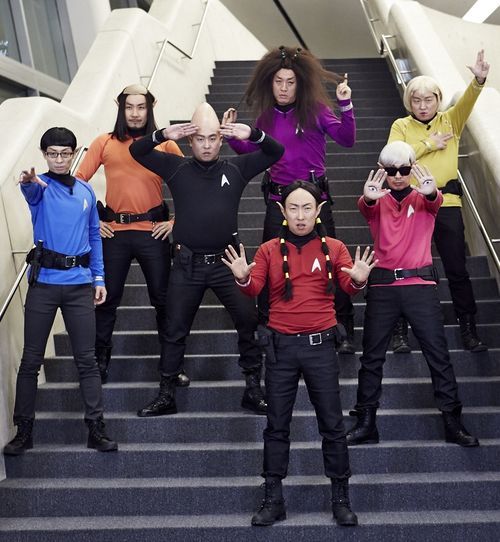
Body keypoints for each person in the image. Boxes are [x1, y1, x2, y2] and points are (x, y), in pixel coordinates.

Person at [223, 180, 376, 527]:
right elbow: (254, 288)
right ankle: (273, 500)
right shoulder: (268, 250)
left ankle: (341, 499)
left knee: (332, 426)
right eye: (293, 208)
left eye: (307, 208)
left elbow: (349, 286)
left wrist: (360, 279)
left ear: (318, 210)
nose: (301, 215)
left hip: (321, 348)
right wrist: (242, 278)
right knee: (276, 426)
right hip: (281, 349)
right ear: (282, 211)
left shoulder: (334, 247)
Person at [129, 102, 284, 417]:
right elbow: (138, 151)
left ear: (221, 139)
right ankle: (166, 393)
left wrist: (253, 134)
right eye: (200, 138)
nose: (207, 145)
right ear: (190, 140)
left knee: (249, 323)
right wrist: (162, 134)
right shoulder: (176, 167)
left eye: (213, 138)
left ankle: (253, 389)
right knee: (174, 328)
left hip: (228, 264)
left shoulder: (236, 169)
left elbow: (275, 152)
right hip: (187, 265)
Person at [223, 45, 358, 354]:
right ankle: (266, 326)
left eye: (290, 82)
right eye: (278, 82)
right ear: (270, 83)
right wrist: (232, 135)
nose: (283, 88)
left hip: (315, 201)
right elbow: (251, 151)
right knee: (269, 262)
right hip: (278, 201)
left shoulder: (317, 111)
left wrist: (345, 105)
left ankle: (344, 329)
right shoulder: (266, 118)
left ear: (300, 83)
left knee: (332, 262)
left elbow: (347, 139)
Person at [346, 141, 479, 448]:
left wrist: (431, 192)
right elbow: (366, 206)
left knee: (438, 355)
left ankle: (452, 420)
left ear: (412, 169)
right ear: (382, 171)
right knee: (371, 358)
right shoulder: (374, 200)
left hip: (420, 287)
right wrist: (368, 198)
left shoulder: (424, 198)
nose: (398, 176)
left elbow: (434, 200)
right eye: (391, 171)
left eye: (404, 169)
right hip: (383, 288)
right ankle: (366, 422)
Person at [3, 127, 117, 456]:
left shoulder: (85, 190)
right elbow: (30, 190)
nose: (58, 159)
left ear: (74, 153)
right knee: (30, 360)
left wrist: (99, 278)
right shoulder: (39, 187)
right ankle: (24, 431)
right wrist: (28, 182)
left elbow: (94, 236)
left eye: (64, 154)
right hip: (45, 286)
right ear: (44, 155)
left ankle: (95, 428)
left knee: (87, 361)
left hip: (80, 285)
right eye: (52, 154)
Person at [77, 84, 190, 387]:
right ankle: (99, 364)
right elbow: (76, 184)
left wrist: (176, 222)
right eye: (130, 107)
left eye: (141, 107)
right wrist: (92, 222)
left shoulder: (164, 145)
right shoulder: (104, 142)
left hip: (152, 233)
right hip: (114, 234)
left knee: (164, 302)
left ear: (150, 108)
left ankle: (172, 367)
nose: (136, 113)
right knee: (106, 301)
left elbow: (191, 183)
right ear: (121, 108)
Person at [387, 50, 490, 353]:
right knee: (403, 267)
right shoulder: (401, 126)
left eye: (428, 100)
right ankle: (400, 331)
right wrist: (428, 144)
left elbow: (468, 101)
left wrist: (479, 80)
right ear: (409, 102)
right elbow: (394, 159)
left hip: (447, 203)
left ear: (438, 99)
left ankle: (468, 329)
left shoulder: (451, 121)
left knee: (457, 268)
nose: (422, 106)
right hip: (411, 204)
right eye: (416, 100)